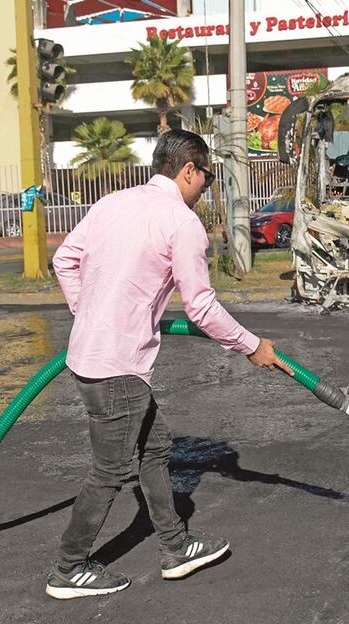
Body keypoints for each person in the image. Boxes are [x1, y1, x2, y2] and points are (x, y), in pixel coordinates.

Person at [47, 129, 292, 600]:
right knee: (110, 470)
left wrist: (91, 315)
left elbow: (64, 260)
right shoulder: (181, 222)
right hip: (117, 367)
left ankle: (176, 547)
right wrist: (251, 344)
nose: (205, 187)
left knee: (155, 445)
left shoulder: (112, 203)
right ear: (188, 170)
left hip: (91, 357)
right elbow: (200, 307)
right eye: (205, 176)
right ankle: (68, 568)